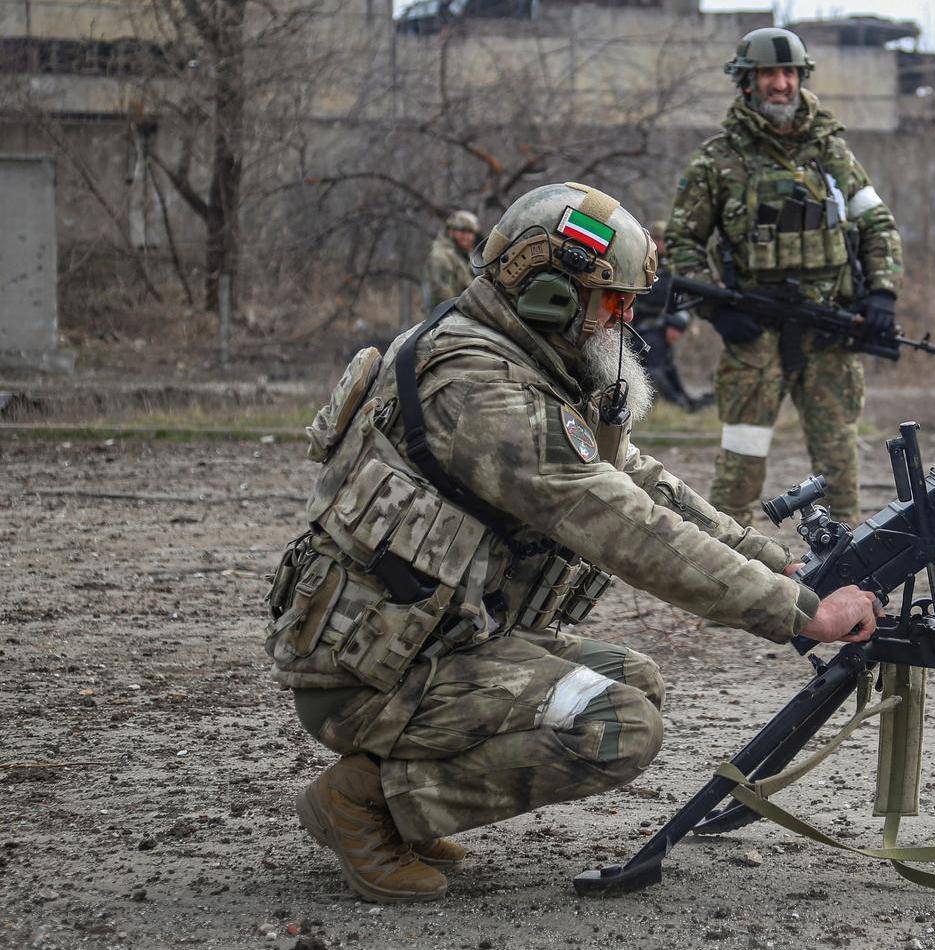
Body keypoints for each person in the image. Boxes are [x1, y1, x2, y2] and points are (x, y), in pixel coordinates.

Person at [266, 182, 884, 904]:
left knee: (636, 679)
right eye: (612, 299)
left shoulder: (525, 361)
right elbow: (626, 526)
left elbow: (640, 481)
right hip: (369, 675)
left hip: (430, 641)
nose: (625, 317)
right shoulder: (479, 391)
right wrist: (799, 612)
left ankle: (394, 796)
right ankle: (366, 803)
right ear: (549, 294)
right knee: (617, 726)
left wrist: (784, 565)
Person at [665, 27, 903, 526]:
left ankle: (851, 582)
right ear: (746, 82)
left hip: (828, 331)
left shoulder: (831, 152)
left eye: (789, 72)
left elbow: (876, 222)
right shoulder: (717, 160)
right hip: (755, 336)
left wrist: (882, 293)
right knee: (739, 471)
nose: (781, 83)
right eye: (769, 73)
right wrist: (718, 310)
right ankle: (724, 577)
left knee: (839, 466)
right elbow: (680, 245)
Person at [630, 223, 714, 412]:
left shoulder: (677, 268)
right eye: (656, 239)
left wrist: (676, 325)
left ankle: (679, 404)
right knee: (653, 364)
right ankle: (680, 402)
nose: (659, 244)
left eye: (662, 239)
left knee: (657, 366)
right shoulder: (644, 262)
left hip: (663, 326)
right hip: (640, 326)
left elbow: (686, 300)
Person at [421, 209, 479, 312]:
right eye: (463, 231)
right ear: (451, 232)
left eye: (470, 232)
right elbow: (442, 298)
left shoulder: (464, 255)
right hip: (447, 321)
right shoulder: (440, 257)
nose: (467, 237)